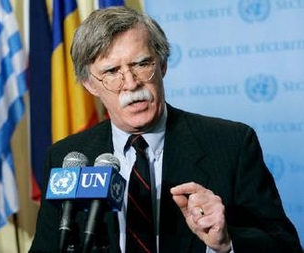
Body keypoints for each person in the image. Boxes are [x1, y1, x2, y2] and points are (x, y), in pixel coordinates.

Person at [29, 6, 302, 253]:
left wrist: (226, 243)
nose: (131, 83)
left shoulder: (232, 144)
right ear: (90, 84)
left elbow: (285, 247)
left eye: (141, 64)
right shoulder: (67, 157)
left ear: (162, 65)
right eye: (112, 71)